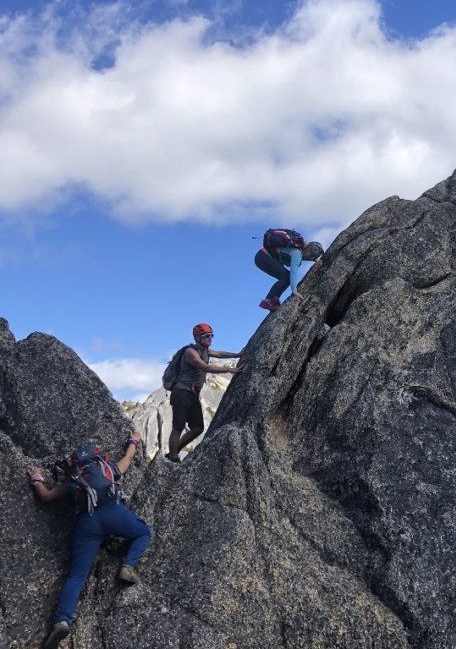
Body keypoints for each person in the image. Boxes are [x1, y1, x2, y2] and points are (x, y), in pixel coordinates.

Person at [28, 433, 150, 648]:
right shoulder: (108, 468)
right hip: (114, 513)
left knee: (76, 576)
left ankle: (62, 620)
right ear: (99, 458)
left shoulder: (74, 478)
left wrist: (37, 477)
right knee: (143, 532)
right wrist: (133, 441)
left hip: (88, 522)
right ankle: (128, 566)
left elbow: (46, 496)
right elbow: (128, 459)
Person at [166, 323, 240, 462]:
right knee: (178, 427)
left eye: (211, 335)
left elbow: (218, 353)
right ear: (198, 338)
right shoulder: (190, 352)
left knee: (198, 428)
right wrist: (229, 370)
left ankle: (173, 452)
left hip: (193, 394)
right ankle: (173, 457)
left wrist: (237, 355)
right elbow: (205, 367)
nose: (210, 338)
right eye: (207, 336)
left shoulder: (206, 350)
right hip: (181, 393)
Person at [254, 229, 325, 311]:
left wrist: (312, 260)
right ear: (308, 249)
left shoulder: (297, 251)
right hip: (264, 256)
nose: (310, 258)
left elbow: (297, 256)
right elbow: (293, 273)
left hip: (262, 256)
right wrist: (294, 290)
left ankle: (274, 299)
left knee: (286, 277)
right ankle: (268, 300)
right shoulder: (297, 254)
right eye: (311, 255)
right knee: (287, 276)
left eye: (312, 257)